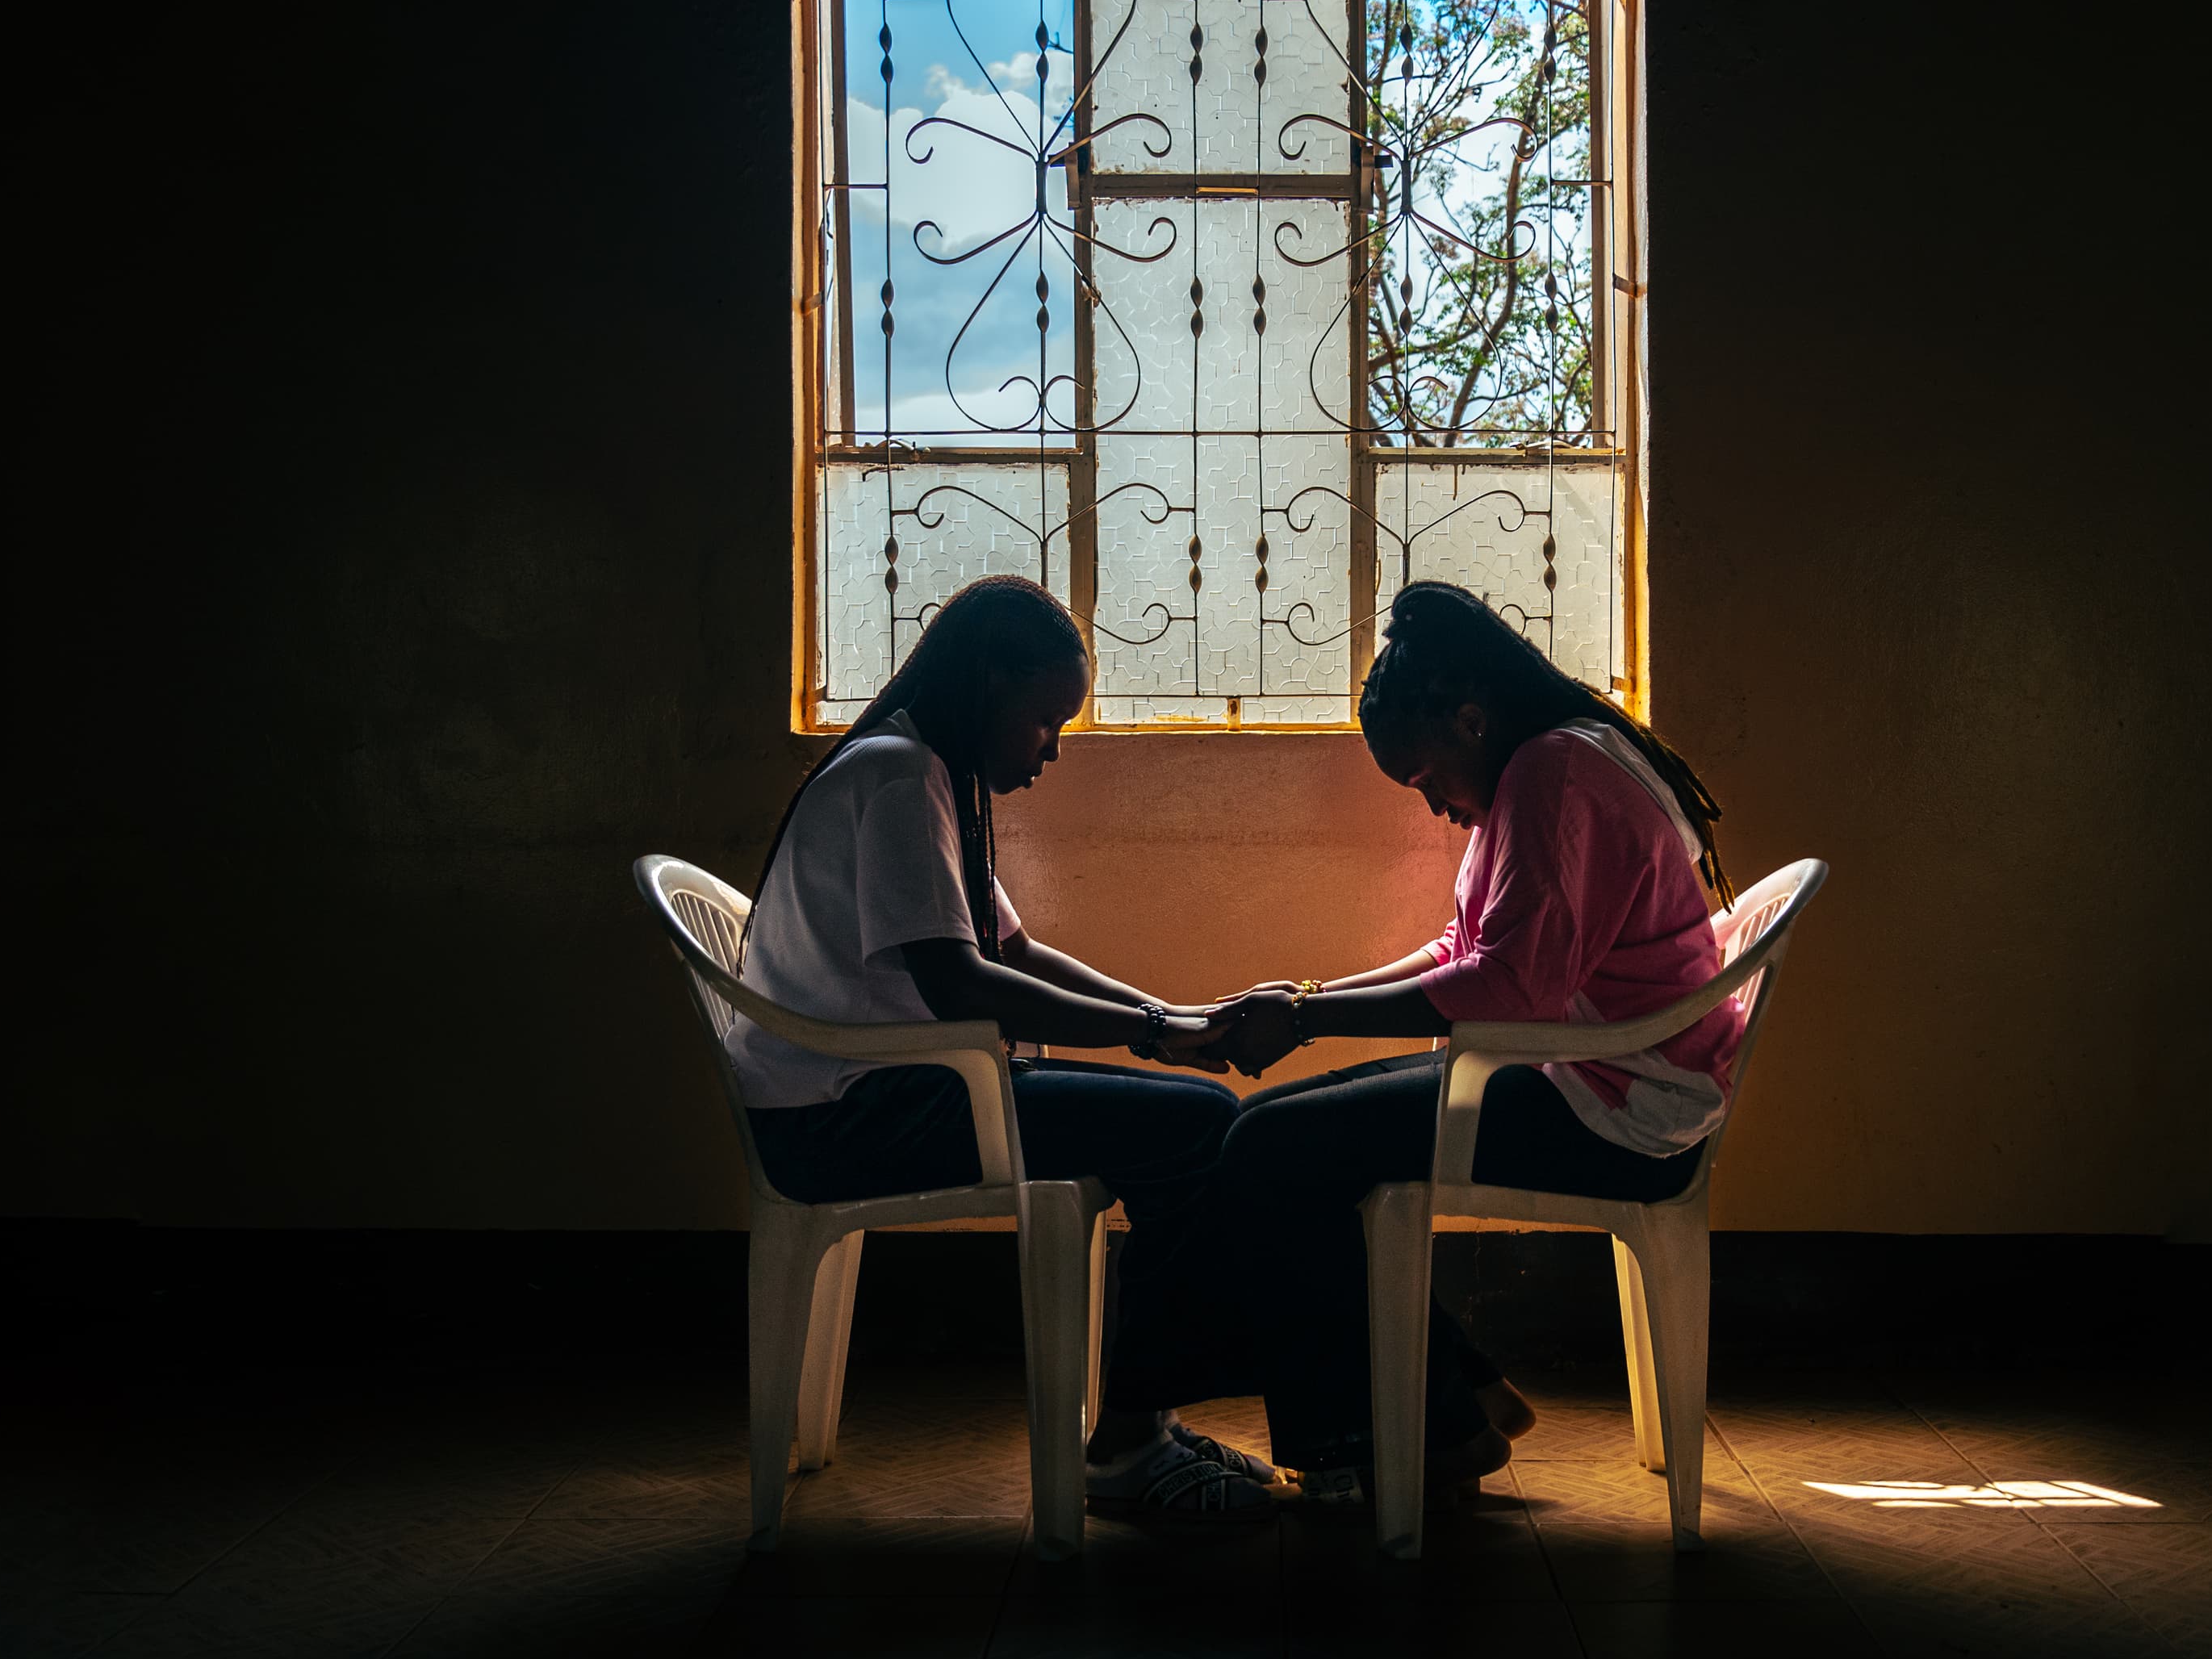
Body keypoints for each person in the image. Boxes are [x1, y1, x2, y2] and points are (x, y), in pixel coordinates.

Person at [728, 575, 1285, 1517]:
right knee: (1198, 1130)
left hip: (876, 1096)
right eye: (1042, 721)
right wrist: (1157, 1036)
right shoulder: (899, 776)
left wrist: (1169, 1023)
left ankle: (1137, 1425)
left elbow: (1016, 950)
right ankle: (1127, 1444)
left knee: (1192, 1119)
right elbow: (965, 985)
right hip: (853, 1118)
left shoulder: (919, 769)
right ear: (989, 686)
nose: (1052, 750)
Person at [1206, 580, 1745, 1501]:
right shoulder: (1552, 758)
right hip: (1597, 1076)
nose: (1434, 809)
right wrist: (1307, 999)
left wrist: (1305, 1019)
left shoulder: (1553, 772)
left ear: (1468, 721)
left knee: (1268, 1148)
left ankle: (1423, 1434)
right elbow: (1469, 950)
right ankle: (1460, 1398)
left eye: (1424, 781)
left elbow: (1507, 987)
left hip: (1615, 1110)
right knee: (1269, 1130)